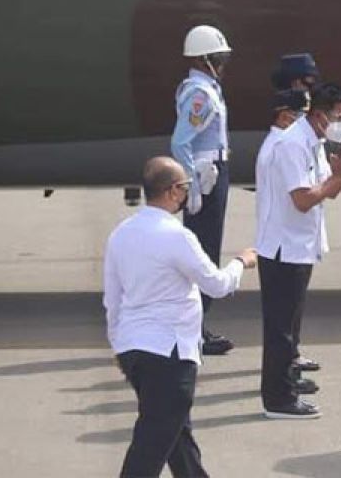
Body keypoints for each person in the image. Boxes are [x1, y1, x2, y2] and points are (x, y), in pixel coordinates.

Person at [103, 156, 258, 478]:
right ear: (173, 191)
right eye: (186, 187)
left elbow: (112, 299)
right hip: (169, 353)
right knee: (151, 446)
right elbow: (216, 285)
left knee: (178, 439)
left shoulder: (121, 233)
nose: (187, 194)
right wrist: (240, 263)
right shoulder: (177, 236)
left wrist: (120, 345)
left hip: (135, 348)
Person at [258, 83, 341, 419]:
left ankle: (285, 390)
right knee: (281, 332)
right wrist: (338, 178)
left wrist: (340, 178)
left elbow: (326, 190)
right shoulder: (292, 144)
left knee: (288, 329)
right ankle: (278, 400)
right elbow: (303, 199)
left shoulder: (313, 141)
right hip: (283, 251)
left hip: (299, 248)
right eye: (339, 116)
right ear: (319, 116)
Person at [170, 24, 235, 356]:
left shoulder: (206, 88)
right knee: (203, 253)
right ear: (203, 59)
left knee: (208, 250)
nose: (222, 65)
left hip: (213, 172)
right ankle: (194, 328)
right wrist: (192, 185)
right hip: (206, 177)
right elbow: (180, 142)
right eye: (218, 58)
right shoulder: (201, 94)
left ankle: (196, 324)